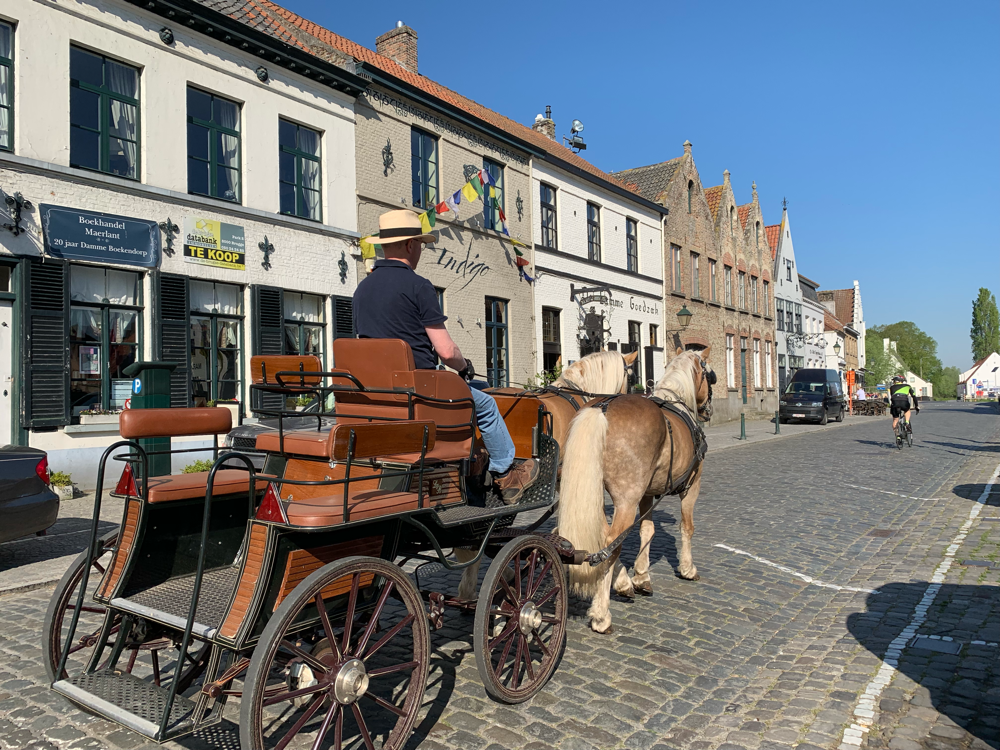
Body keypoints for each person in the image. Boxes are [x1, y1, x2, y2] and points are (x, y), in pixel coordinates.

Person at [353, 210, 539, 503]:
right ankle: (507, 475)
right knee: (488, 405)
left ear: (384, 246)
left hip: (379, 395)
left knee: (479, 391)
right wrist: (464, 365)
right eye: (421, 245)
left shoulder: (362, 289)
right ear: (411, 245)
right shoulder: (418, 286)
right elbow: (446, 351)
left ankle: (477, 464)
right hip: (421, 392)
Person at [889, 375, 919, 444]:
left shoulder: (891, 387)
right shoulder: (908, 386)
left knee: (895, 420)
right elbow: (914, 396)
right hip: (904, 403)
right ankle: (907, 423)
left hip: (895, 404)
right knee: (907, 410)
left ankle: (897, 436)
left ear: (895, 381)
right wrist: (916, 406)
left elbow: (893, 396)